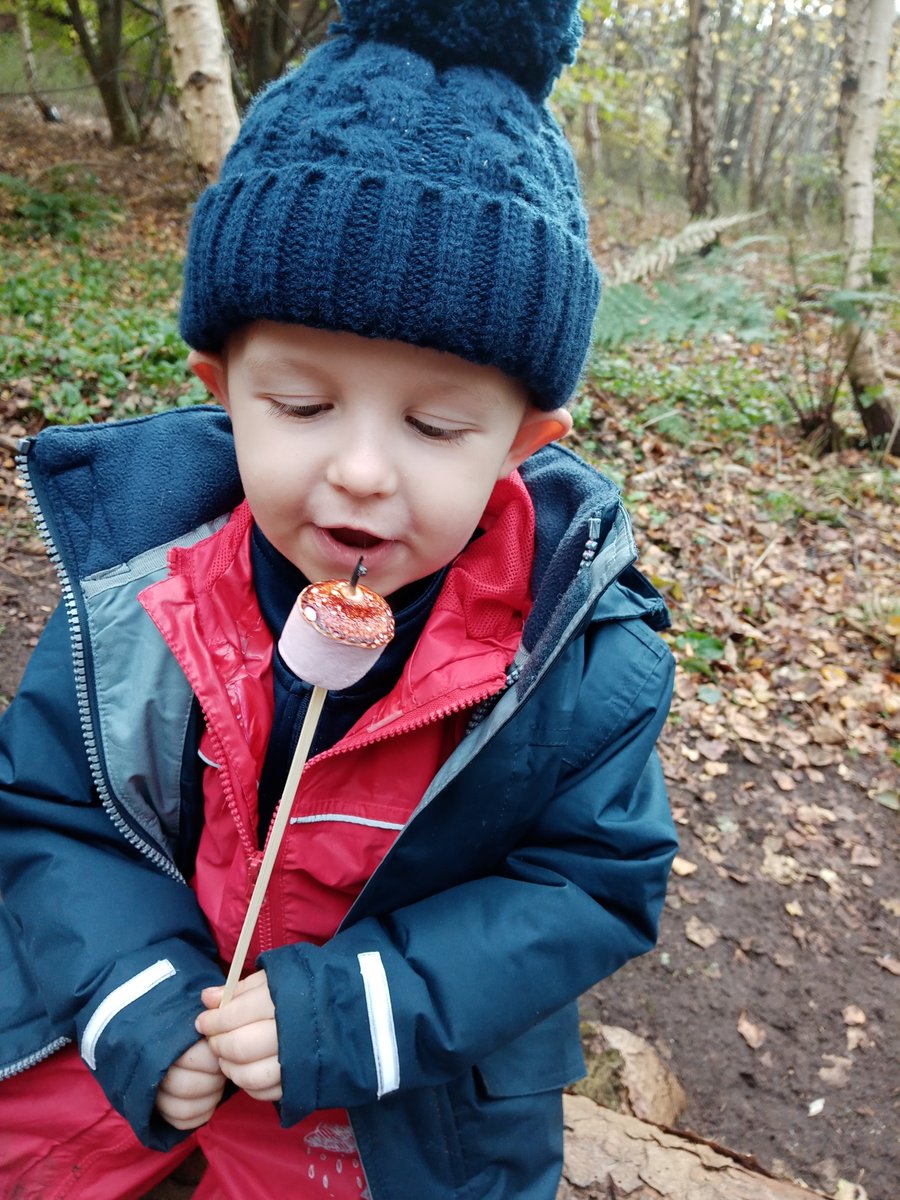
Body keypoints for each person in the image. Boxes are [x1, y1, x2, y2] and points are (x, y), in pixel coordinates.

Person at [0, 2, 678, 1197]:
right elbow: (54, 817)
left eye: (433, 424)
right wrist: (127, 989)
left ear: (524, 442)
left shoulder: (580, 665)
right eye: (302, 408)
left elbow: (592, 883)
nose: (360, 472)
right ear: (221, 387)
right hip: (143, 1071)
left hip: (391, 1114)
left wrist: (372, 1002)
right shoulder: (132, 608)